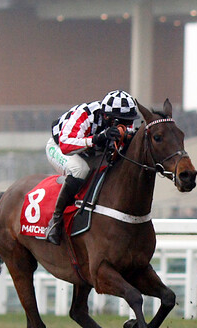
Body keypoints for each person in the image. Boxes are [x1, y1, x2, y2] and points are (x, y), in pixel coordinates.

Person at [44, 90, 138, 245]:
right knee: (80, 170)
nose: (126, 125)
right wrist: (98, 138)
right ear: (107, 116)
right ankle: (55, 221)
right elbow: (66, 144)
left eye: (128, 122)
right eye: (121, 121)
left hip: (90, 151)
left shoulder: (123, 120)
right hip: (61, 147)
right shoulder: (85, 114)